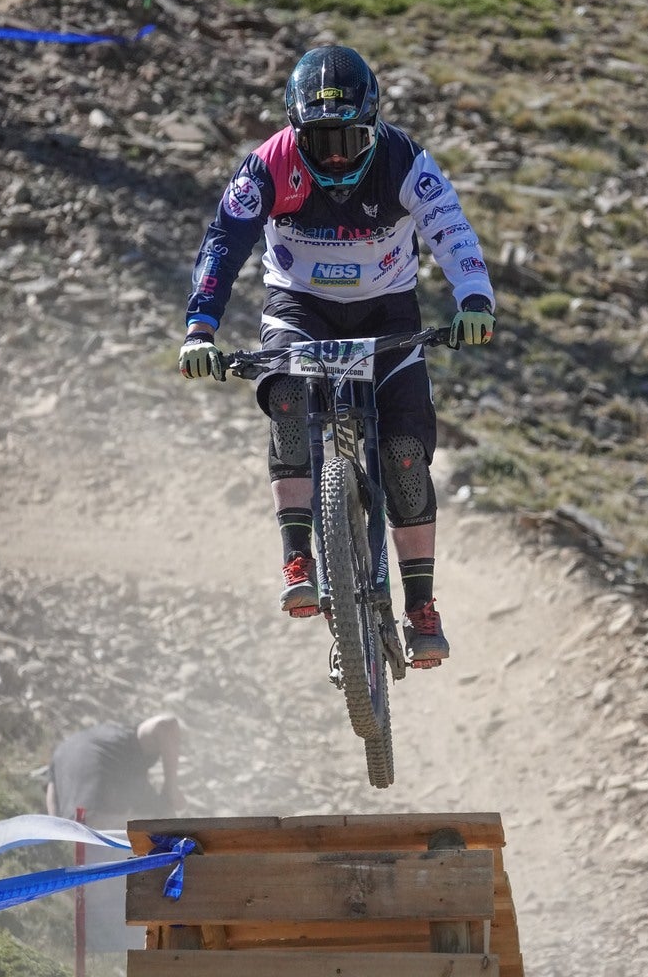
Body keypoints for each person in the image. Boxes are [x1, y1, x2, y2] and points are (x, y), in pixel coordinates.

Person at [179, 45, 495, 667]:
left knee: (404, 457)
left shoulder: (406, 161)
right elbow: (223, 243)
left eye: (350, 139)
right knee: (290, 402)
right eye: (320, 142)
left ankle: (421, 607)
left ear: (373, 126)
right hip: (299, 308)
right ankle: (298, 555)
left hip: (388, 313)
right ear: (295, 132)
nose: (336, 156)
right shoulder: (267, 166)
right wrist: (200, 328)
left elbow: (451, 228)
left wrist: (475, 297)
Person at [45, 713, 184, 827]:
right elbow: (167, 724)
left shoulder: (62, 754)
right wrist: (170, 788)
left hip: (75, 832)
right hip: (88, 828)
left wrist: (58, 834)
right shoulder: (124, 742)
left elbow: (52, 795)